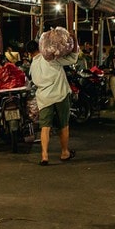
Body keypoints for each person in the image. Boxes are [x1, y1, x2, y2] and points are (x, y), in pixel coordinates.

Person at [27, 38, 78, 166]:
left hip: (44, 99)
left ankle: (44, 155)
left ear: (29, 53)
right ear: (40, 48)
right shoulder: (51, 58)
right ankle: (64, 152)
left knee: (45, 127)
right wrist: (75, 41)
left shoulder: (32, 67)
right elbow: (73, 59)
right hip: (60, 94)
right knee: (63, 125)